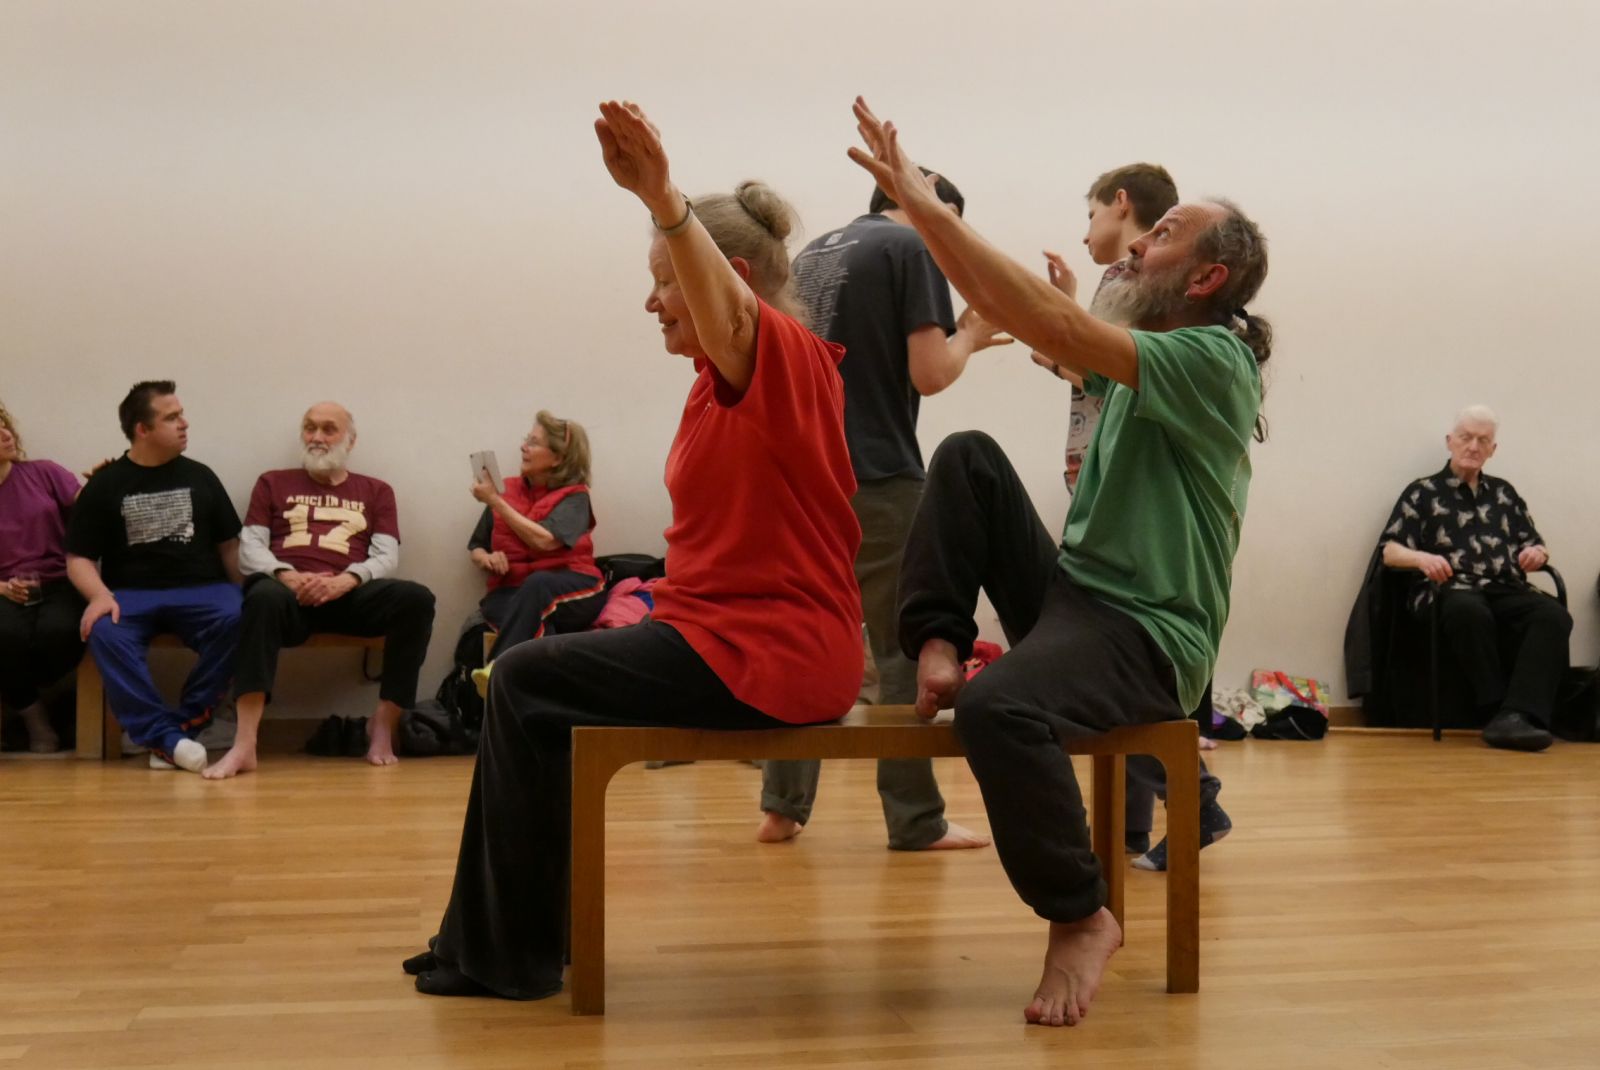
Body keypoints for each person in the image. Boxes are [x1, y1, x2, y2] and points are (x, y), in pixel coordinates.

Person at [403, 100, 863, 1001]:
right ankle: (484, 938)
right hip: (719, 637)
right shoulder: (713, 383)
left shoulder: (786, 358)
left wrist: (663, 199)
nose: (650, 300)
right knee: (532, 684)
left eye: (663, 280)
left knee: (529, 678)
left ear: (723, 280)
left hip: (775, 653)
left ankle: (512, 953)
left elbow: (733, 319)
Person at [847, 97, 1271, 1026]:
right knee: (966, 461)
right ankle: (937, 643)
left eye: (1158, 235)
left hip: (1148, 633)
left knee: (1001, 712)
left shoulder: (1212, 360)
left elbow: (1043, 318)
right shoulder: (1142, 355)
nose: (1130, 248)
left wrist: (924, 207)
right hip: (1078, 597)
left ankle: (1082, 914)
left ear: (1207, 277)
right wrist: (925, 214)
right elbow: (1041, 325)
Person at [755, 170, 1008, 852]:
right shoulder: (914, 248)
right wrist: (974, 337)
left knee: (800, 634)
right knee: (903, 644)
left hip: (799, 478)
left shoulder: (816, 253)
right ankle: (915, 818)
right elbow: (931, 371)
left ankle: (781, 807)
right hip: (877, 474)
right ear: (938, 211)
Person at [1033, 163, 1231, 872]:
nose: (1091, 232)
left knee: (1121, 658)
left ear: (1121, 205)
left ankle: (1189, 804)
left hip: (1120, 512)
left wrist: (1054, 323)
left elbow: (1077, 352)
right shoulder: (1131, 289)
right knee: (1107, 657)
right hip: (1108, 498)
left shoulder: (1135, 284)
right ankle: (1125, 831)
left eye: (1091, 214)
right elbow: (1083, 357)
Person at [204, 402, 437, 778]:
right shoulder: (272, 482)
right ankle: (245, 743)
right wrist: (287, 575)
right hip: (287, 595)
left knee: (417, 599)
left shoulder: (376, 491)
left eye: (328, 429)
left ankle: (382, 724)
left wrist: (346, 580)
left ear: (350, 439)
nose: (316, 437)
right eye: (309, 428)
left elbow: (386, 555)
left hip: (349, 593)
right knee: (260, 595)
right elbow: (250, 549)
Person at [65, 381, 243, 772]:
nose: (184, 423)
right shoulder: (106, 484)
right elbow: (78, 557)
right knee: (103, 630)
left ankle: (179, 729)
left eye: (181, 414)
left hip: (203, 590)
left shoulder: (202, 476)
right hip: (131, 594)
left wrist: (243, 590)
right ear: (142, 430)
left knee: (242, 617)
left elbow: (229, 545)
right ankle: (168, 738)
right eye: (172, 417)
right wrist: (98, 596)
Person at [1379, 405, 1568, 752]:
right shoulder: (1422, 492)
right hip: (1448, 588)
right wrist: (1421, 557)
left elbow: (1534, 542)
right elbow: (1390, 551)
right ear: (1450, 442)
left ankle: (1519, 714)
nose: (1473, 446)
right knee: (1467, 609)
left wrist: (1538, 553)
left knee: (1553, 614)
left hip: (1505, 586)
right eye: (1466, 437)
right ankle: (1495, 709)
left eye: (1483, 440)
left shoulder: (1504, 494)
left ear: (1493, 449)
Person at [468, 411, 604, 667]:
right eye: (526, 440)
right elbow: (476, 546)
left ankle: (495, 672)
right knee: (535, 628)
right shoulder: (504, 491)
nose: (523, 447)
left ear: (558, 458)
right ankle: (536, 698)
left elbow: (544, 541)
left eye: (533, 442)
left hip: (573, 586)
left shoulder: (575, 497)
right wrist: (487, 559)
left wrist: (495, 501)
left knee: (538, 585)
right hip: (509, 590)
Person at [0, 401, 85, 753]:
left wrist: (100, 489)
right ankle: (37, 721)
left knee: (61, 632)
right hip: (3, 589)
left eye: (4, 424)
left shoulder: (44, 472)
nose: (6, 434)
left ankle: (22, 707)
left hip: (58, 580)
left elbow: (88, 510)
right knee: (4, 636)